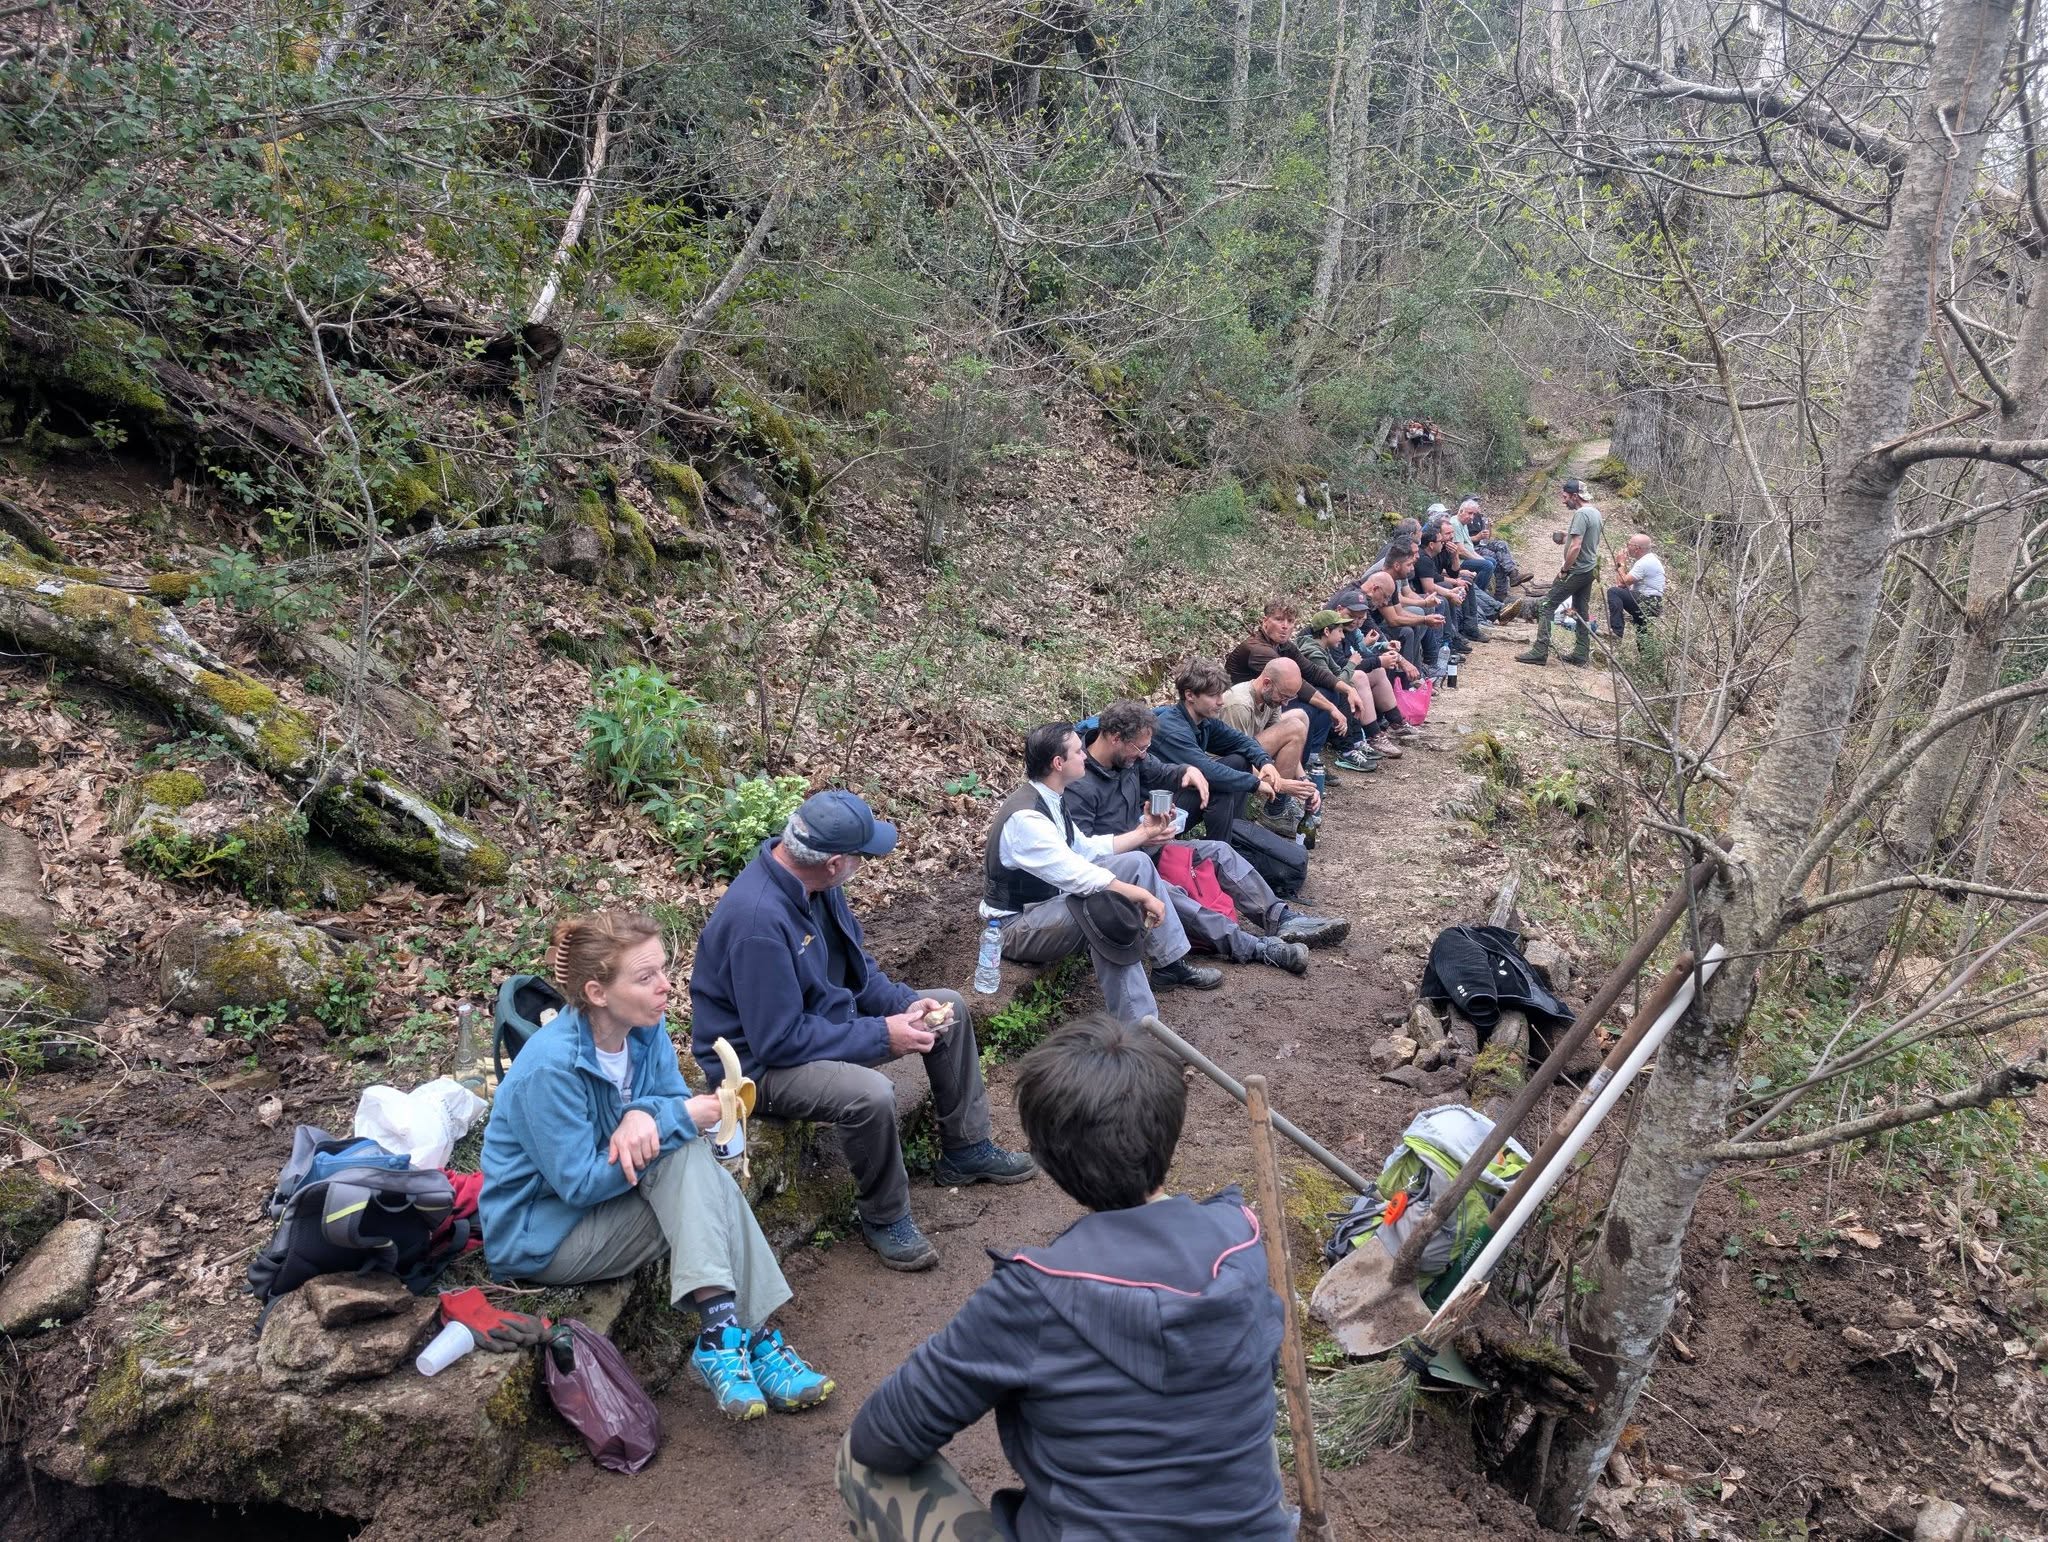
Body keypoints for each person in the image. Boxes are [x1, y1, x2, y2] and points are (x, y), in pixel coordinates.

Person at [838, 1013, 1291, 1542]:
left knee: (858, 1463)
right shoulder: (1242, 1238)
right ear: (1171, 1129)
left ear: (1046, 1157)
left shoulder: (1033, 1293)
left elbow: (880, 1439)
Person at [480, 910, 833, 1421]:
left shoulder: (643, 1028)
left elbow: (665, 1096)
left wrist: (643, 1115)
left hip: (611, 1200)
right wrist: (671, 1119)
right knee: (693, 1162)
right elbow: (578, 1183)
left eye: (664, 970)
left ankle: (725, 1335)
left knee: (690, 1164)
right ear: (598, 993)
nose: (666, 986)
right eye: (645, 978)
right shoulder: (549, 1068)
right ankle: (746, 1340)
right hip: (544, 1235)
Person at [689, 791, 1037, 1274]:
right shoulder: (758, 922)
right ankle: (885, 1217)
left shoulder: (818, 887)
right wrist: (882, 1036)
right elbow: (778, 1040)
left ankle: (966, 1149)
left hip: (818, 1029)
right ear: (834, 861)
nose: (865, 863)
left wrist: (903, 1006)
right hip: (758, 1068)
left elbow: (859, 972)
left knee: (949, 1009)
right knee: (869, 1093)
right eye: (862, 855)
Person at [1064, 700, 1349, 972]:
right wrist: (1141, 835)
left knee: (1219, 851)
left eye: (1146, 747)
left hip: (1148, 848)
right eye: (1139, 747)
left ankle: (1280, 918)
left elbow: (1160, 770)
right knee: (1171, 895)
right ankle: (1254, 947)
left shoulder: (1131, 760)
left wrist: (1187, 771)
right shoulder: (1079, 784)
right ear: (1114, 738)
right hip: (1121, 872)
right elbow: (1087, 855)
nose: (1143, 754)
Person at [985, 721, 1222, 1027]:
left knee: (1135, 862)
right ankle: (1138, 1028)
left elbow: (1085, 849)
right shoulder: (1027, 817)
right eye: (1077, 751)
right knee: (1104, 906)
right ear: (1059, 763)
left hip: (1046, 908)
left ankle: (1170, 963)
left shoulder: (1051, 798)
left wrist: (1144, 832)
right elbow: (1078, 875)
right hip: (1015, 927)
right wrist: (1140, 895)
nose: (1085, 755)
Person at [1148, 658, 1316, 842]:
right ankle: (1224, 848)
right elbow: (1208, 770)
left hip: (1179, 796)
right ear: (1190, 695)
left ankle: (1232, 838)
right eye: (1214, 696)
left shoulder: (1204, 721)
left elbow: (1242, 742)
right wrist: (1258, 783)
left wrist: (1265, 762)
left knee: (1239, 762)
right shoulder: (1172, 729)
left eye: (1221, 694)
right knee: (1221, 786)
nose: (1221, 702)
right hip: (1155, 811)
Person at [1216, 658, 1324, 832]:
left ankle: (1278, 805)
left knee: (1299, 718)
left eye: (1290, 697)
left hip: (1248, 750)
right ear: (1267, 683)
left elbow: (1288, 742)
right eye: (1284, 696)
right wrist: (1281, 784)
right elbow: (1235, 762)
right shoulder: (1240, 704)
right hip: (1223, 762)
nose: (1285, 703)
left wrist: (1304, 781)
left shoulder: (1270, 698)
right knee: (1295, 726)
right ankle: (1274, 811)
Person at [1518, 476, 1605, 667]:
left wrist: (1565, 569)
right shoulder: (1595, 513)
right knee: (1581, 610)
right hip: (1590, 569)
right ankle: (1581, 654)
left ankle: (1540, 651)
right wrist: (1566, 537)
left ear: (1575, 496)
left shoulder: (1581, 514)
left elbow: (1576, 546)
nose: (1563, 500)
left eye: (1565, 497)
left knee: (1546, 606)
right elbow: (1586, 540)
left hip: (1576, 570)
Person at [1607, 532, 1665, 640]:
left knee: (1613, 592)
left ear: (1637, 548)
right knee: (1642, 636)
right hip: (1652, 602)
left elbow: (1621, 583)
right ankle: (1648, 656)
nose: (1627, 547)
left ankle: (1616, 632)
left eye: (1629, 544)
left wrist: (1621, 563)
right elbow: (1624, 586)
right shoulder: (1649, 560)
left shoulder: (1645, 562)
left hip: (1647, 601)